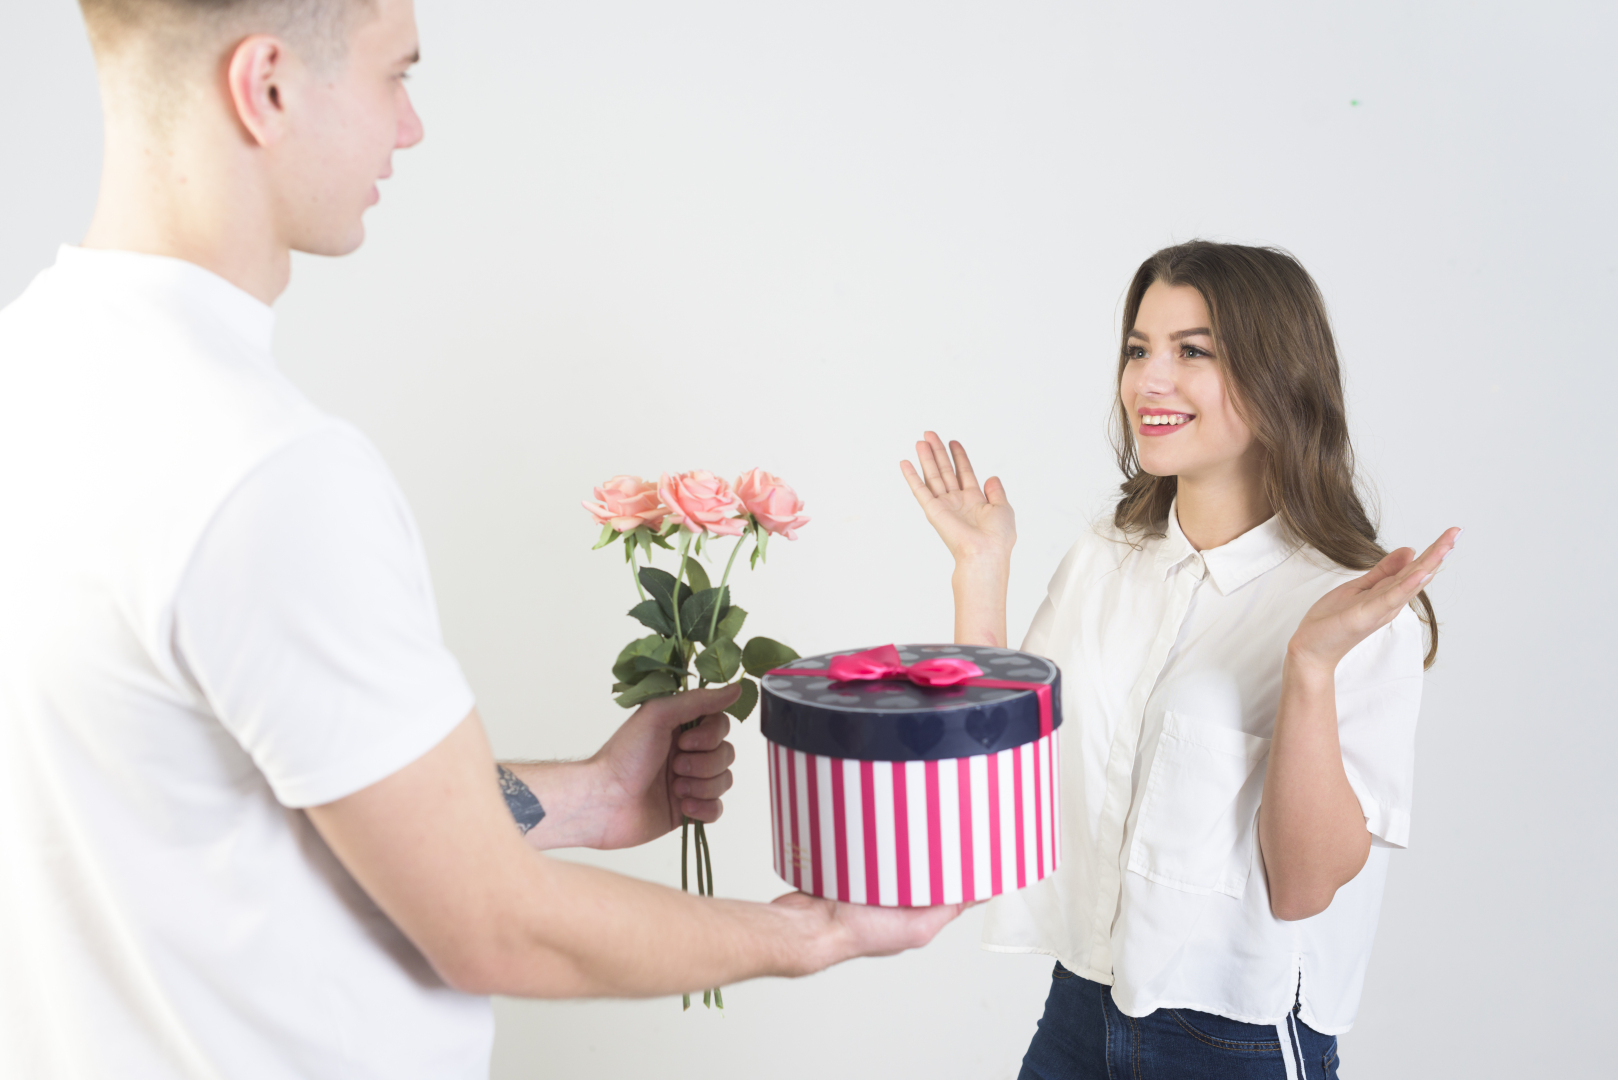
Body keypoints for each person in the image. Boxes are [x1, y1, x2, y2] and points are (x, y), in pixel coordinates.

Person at [0, 1, 961, 1077]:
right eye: (392, 78)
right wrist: (815, 932)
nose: (408, 129)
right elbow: (495, 924)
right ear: (265, 86)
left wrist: (593, 798)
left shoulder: (32, 368)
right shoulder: (264, 470)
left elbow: (214, 801)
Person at [902, 241, 1459, 1079]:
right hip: (1080, 1008)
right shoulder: (1107, 556)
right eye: (1138, 349)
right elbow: (1000, 778)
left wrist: (1308, 667)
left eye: (1191, 351)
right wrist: (980, 571)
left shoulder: (1355, 608)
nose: (1147, 381)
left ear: (1278, 376)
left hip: (1236, 1037)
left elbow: (1305, 887)